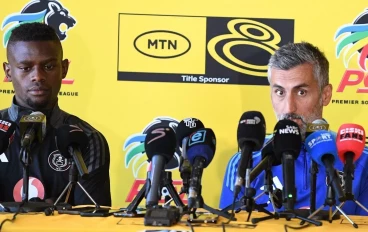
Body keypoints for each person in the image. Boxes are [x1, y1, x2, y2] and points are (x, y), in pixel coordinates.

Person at [220, 42, 368, 215]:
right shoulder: (244, 162)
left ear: (325, 95)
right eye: (280, 92)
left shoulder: (360, 160)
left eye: (301, 92)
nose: (289, 108)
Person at [0, 22, 111, 206]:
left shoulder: (88, 139)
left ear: (64, 68)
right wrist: (49, 208)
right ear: (8, 71)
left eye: (49, 66)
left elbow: (91, 222)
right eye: (26, 68)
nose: (38, 76)